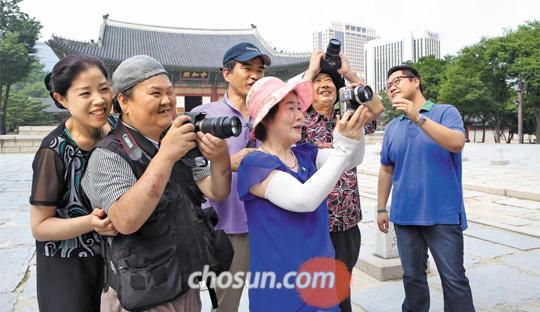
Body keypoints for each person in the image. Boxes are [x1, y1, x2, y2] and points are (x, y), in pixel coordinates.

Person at [81, 55, 232, 311]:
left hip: (184, 283)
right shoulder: (108, 154)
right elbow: (126, 220)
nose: (167, 101)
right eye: (155, 93)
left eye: (170, 93)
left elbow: (216, 191)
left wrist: (220, 159)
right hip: (143, 295)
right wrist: (165, 155)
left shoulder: (177, 139)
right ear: (124, 101)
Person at [237, 76, 370, 311]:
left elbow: (351, 160)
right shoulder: (255, 164)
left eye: (300, 107)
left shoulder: (304, 154)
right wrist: (343, 147)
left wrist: (354, 131)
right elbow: (303, 199)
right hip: (281, 288)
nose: (300, 115)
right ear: (266, 119)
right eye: (291, 108)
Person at [376, 64, 475, 312]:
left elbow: (456, 142)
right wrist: (380, 208)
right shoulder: (392, 128)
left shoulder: (444, 112)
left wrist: (418, 118)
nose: (392, 87)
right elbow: (386, 169)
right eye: (389, 86)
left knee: (453, 280)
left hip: (442, 214)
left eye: (397, 80)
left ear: (416, 81)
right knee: (412, 278)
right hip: (404, 215)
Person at [30, 54, 118, 312]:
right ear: (61, 98)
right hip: (66, 267)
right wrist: (90, 222)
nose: (99, 100)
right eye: (85, 93)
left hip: (114, 259)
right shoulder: (54, 151)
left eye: (104, 89)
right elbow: (40, 226)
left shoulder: (116, 129)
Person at [301, 51, 384, 312]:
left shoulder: (349, 118)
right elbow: (288, 101)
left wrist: (348, 73)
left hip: (346, 220)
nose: (325, 84)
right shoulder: (298, 119)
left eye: (330, 81)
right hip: (312, 220)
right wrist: (312, 69)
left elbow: (377, 108)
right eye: (319, 81)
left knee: (341, 287)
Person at [190, 42, 270, 311]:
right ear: (226, 73)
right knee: (225, 305)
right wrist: (227, 163)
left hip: (267, 225)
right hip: (225, 228)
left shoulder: (269, 113)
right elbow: (190, 172)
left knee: (272, 298)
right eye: (247, 68)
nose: (255, 76)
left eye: (259, 70)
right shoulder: (203, 116)